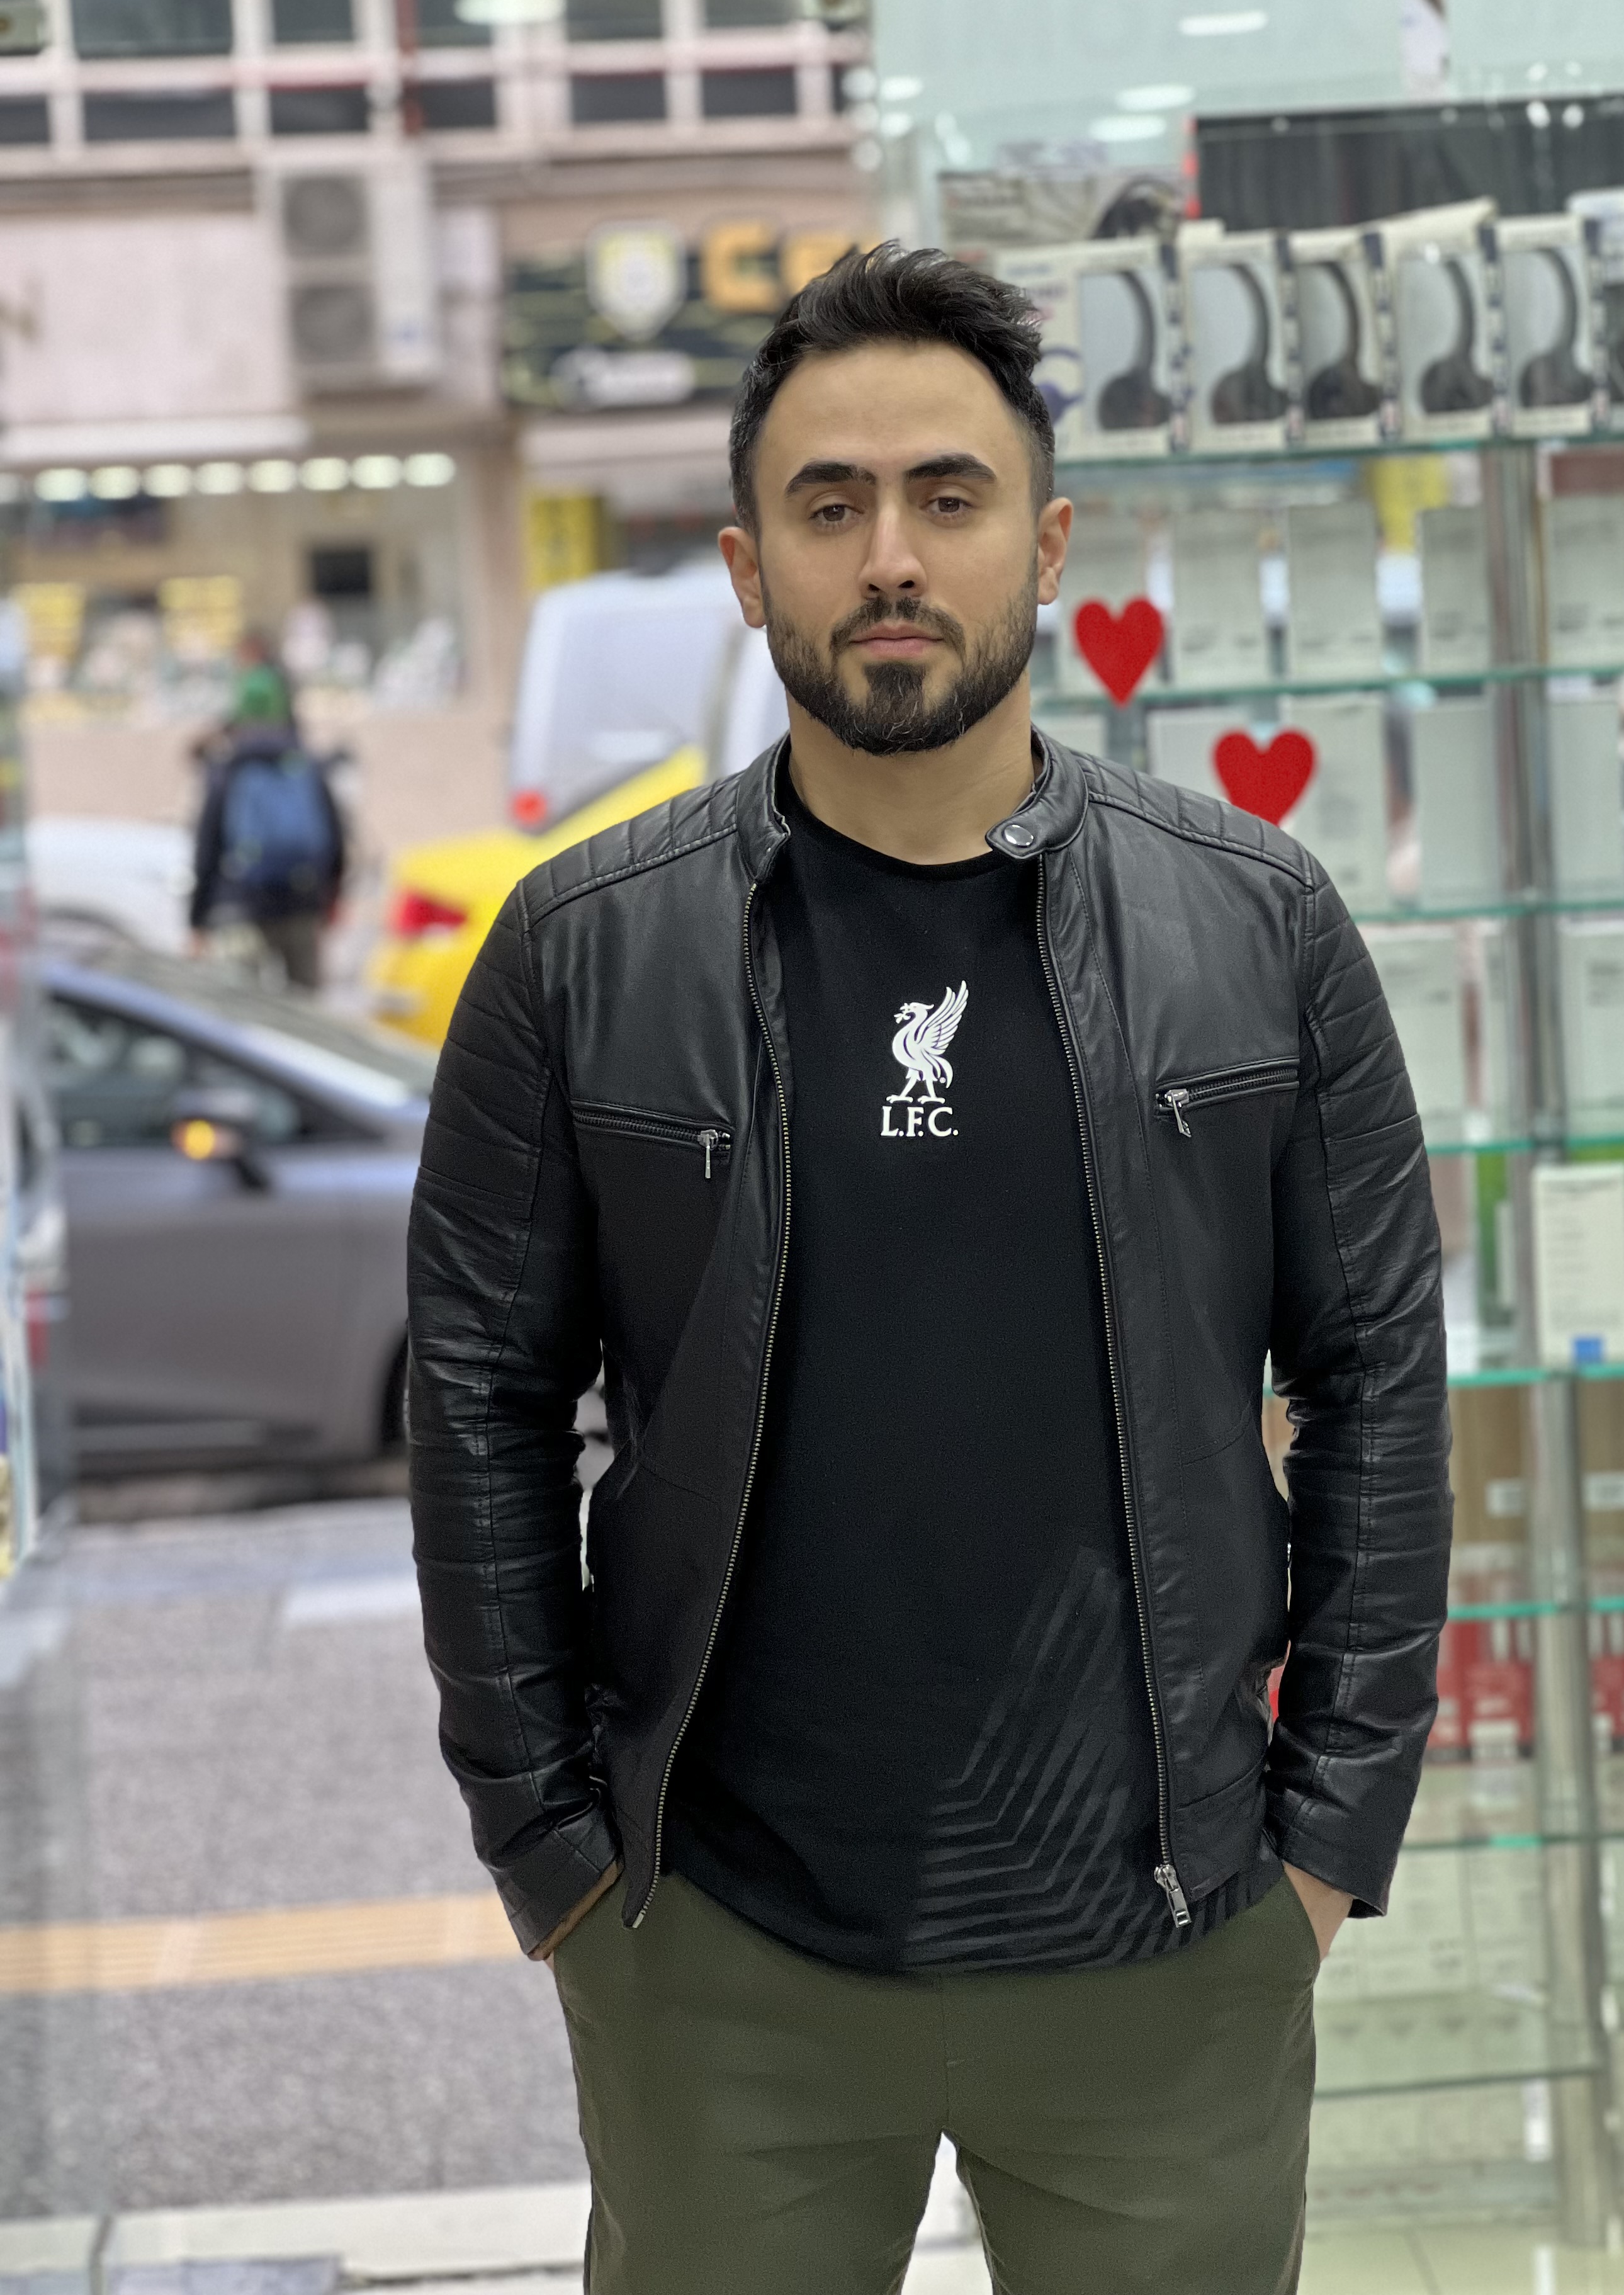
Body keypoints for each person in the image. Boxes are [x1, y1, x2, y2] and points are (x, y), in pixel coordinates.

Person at [408, 244, 1450, 2295]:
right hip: (720, 1961)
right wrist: (549, 1848)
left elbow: (1382, 1379)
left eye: (946, 497)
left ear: (1045, 546)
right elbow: (479, 1403)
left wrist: (1327, 1839)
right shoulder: (582, 952)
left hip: (1169, 1951)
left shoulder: (1255, 924)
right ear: (747, 568)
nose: (890, 554)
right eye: (831, 504)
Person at [189, 662, 345, 990]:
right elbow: (336, 837)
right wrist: (331, 899)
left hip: (240, 905)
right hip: (301, 903)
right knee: (306, 1009)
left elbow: (207, 848)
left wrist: (197, 919)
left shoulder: (228, 768)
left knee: (240, 1008)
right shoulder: (305, 764)